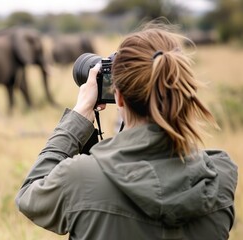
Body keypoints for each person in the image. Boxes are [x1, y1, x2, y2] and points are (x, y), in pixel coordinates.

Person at [15, 23, 238, 240]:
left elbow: (29, 196)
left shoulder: (80, 178)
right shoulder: (221, 174)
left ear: (118, 96)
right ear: (183, 88)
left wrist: (79, 116)